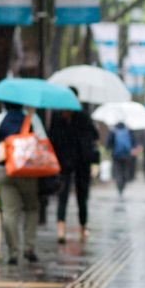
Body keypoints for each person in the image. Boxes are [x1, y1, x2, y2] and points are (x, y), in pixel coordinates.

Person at [0, 101, 46, 265]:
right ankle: (29, 247)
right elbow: (42, 143)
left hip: (4, 170)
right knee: (31, 208)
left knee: (9, 211)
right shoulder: (32, 120)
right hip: (26, 170)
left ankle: (13, 251)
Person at [48, 91, 99, 243]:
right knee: (62, 195)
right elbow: (52, 138)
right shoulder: (58, 117)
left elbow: (93, 137)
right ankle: (60, 228)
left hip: (81, 164)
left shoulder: (83, 116)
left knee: (82, 197)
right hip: (63, 163)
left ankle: (83, 226)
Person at [106, 121, 136, 197]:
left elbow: (108, 144)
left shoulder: (114, 131)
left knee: (118, 172)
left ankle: (120, 188)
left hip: (116, 155)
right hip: (126, 155)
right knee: (125, 171)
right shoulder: (128, 131)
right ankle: (123, 186)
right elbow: (133, 142)